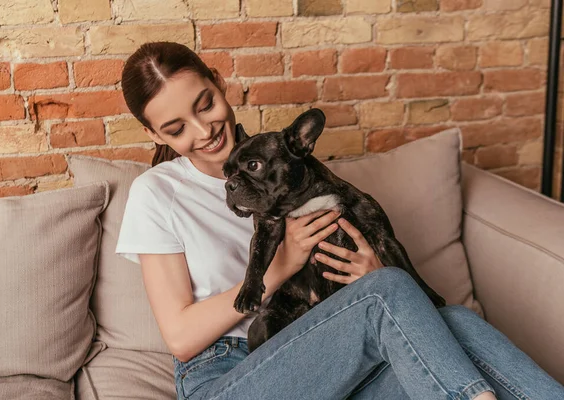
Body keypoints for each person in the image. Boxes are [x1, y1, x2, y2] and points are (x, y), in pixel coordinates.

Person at [114, 41, 564, 400]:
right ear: (155, 135)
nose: (203, 130)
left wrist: (370, 275)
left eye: (205, 104)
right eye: (176, 129)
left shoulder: (281, 163)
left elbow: (350, 274)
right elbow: (181, 338)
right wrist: (281, 266)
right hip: (230, 374)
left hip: (330, 355)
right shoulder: (157, 194)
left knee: (452, 320)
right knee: (393, 292)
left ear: (220, 82)